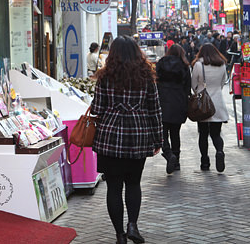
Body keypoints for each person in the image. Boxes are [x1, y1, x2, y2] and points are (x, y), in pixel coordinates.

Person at [90, 36, 163, 244]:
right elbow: (154, 109)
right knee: (133, 183)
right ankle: (133, 225)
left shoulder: (105, 77)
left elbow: (97, 108)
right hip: (138, 135)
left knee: (113, 187)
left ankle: (120, 235)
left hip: (110, 137)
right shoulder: (146, 76)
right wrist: (158, 139)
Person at [191, 43, 228, 172]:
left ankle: (205, 162)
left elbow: (194, 84)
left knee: (203, 134)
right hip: (218, 103)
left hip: (203, 104)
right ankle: (219, 151)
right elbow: (223, 82)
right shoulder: (222, 64)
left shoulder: (198, 65)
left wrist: (199, 91)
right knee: (216, 134)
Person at [156, 44, 191, 174]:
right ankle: (176, 162)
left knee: (163, 133)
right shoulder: (184, 66)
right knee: (175, 133)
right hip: (179, 101)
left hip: (163, 101)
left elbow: (155, 81)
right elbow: (188, 87)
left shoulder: (161, 63)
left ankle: (169, 154)